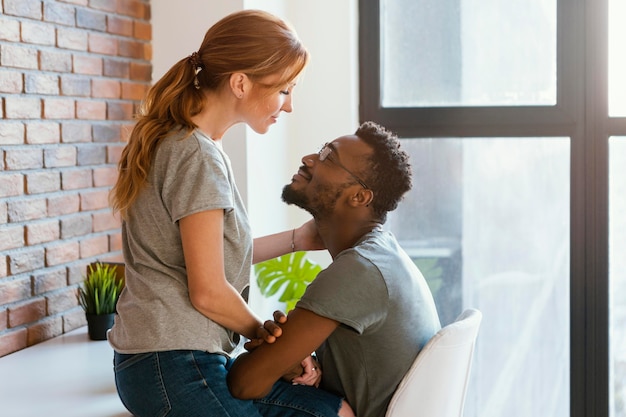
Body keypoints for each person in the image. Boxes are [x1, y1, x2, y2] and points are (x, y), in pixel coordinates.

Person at [108, 9, 354, 417]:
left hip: (162, 363)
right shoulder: (195, 154)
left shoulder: (187, 143)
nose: (288, 106)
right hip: (173, 364)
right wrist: (273, 345)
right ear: (240, 83)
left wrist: (299, 240)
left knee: (332, 411)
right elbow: (207, 289)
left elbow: (206, 257)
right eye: (284, 90)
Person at [227, 121, 442, 417]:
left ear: (359, 196)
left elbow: (244, 383)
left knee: (208, 379)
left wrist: (271, 356)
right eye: (321, 149)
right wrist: (298, 361)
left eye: (329, 156)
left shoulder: (361, 269)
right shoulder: (380, 255)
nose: (309, 159)